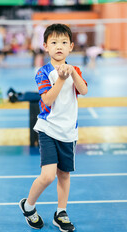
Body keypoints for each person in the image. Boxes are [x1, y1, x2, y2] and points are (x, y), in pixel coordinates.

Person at [19, 24, 88, 231]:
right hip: (48, 129)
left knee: (64, 174)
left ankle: (61, 212)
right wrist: (61, 78)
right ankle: (28, 206)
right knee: (48, 175)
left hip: (69, 132)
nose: (59, 46)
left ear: (71, 47)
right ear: (45, 46)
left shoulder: (75, 70)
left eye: (64, 42)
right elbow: (47, 101)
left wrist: (73, 73)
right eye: (54, 42)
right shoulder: (42, 72)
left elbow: (83, 90)